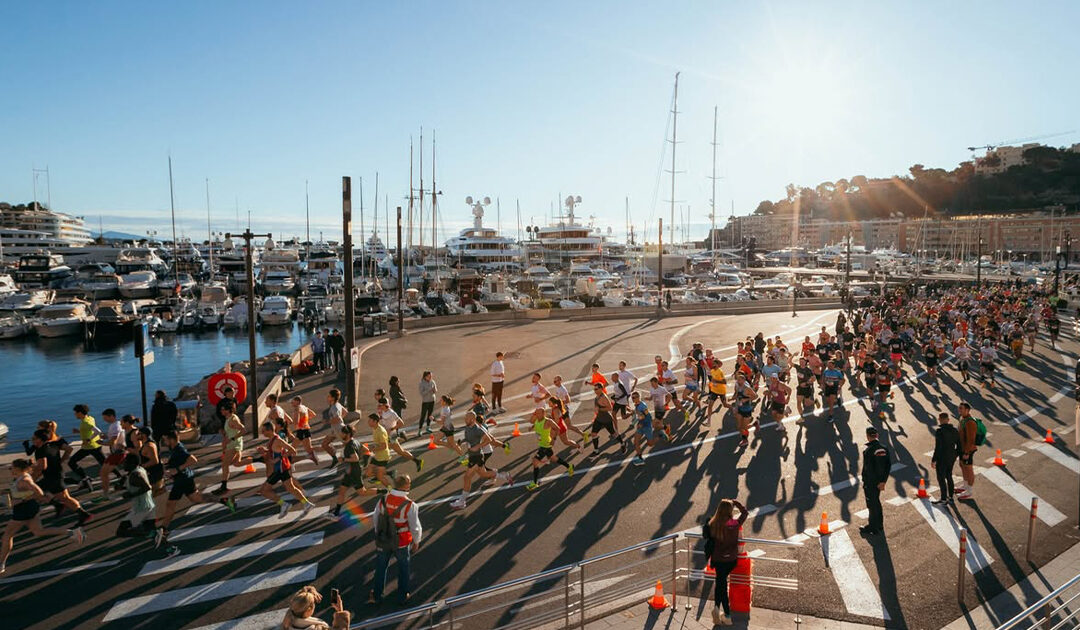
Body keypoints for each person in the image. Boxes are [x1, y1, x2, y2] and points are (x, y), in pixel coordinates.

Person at [155, 430, 235, 556]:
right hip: (185, 479)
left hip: (182, 480)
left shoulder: (179, 448)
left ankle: (164, 529)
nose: (164, 442)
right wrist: (170, 469)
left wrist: (177, 470)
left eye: (165, 439)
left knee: (170, 504)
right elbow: (180, 462)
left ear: (171, 439)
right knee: (197, 498)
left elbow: (193, 459)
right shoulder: (175, 448)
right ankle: (223, 500)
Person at [1, 458, 86, 575]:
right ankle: (73, 532)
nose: (10, 469)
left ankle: (1, 564)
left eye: (12, 467)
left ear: (19, 468)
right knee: (38, 531)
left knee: (7, 536)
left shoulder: (25, 480)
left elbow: (39, 493)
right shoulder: (21, 477)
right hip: (30, 508)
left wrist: (22, 499)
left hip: (24, 510)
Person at [370, 475, 422, 605]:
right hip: (402, 541)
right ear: (406, 486)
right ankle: (403, 595)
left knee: (381, 567)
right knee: (403, 568)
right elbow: (415, 527)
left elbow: (376, 518)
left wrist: (378, 533)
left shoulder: (383, 499)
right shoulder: (410, 505)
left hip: (384, 539)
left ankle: (377, 595)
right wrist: (416, 541)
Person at [449, 412, 512, 510]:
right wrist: (462, 441)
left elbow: (489, 440)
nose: (465, 419)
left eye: (467, 418)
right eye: (465, 417)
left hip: (477, 456)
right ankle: (504, 475)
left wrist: (477, 446)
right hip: (472, 455)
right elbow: (469, 438)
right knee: (483, 474)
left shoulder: (477, 429)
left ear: (472, 419)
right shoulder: (467, 427)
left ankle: (462, 501)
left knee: (467, 477)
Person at [31, 428, 93, 526]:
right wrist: (61, 461)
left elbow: (42, 467)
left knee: (34, 492)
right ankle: (69, 509)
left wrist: (32, 479)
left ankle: (81, 513)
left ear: (40, 439)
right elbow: (68, 449)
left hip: (52, 478)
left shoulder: (40, 450)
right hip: (57, 474)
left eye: (34, 438)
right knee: (63, 497)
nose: (32, 440)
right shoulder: (53, 444)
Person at [701, 498, 748, 626]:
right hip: (731, 560)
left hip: (718, 560)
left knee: (720, 584)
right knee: (721, 583)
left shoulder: (712, 524)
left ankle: (720, 610)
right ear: (730, 510)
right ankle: (725, 614)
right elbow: (745, 513)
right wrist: (737, 502)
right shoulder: (734, 524)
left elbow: (705, 536)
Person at [325, 424, 379, 520]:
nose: (341, 434)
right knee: (342, 491)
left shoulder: (350, 446)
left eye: (342, 433)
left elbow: (355, 458)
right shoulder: (355, 441)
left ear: (348, 434)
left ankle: (383, 491)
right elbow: (366, 450)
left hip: (354, 472)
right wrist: (364, 460)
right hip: (350, 472)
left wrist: (343, 459)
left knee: (362, 492)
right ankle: (336, 514)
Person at [525, 404, 573, 491]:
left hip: (546, 444)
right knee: (554, 458)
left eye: (538, 413)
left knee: (535, 461)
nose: (536, 414)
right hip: (542, 444)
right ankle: (569, 466)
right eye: (536, 413)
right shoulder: (536, 419)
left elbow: (558, 429)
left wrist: (553, 439)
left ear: (543, 413)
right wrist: (531, 427)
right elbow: (533, 422)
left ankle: (535, 483)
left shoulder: (548, 421)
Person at [115, 453, 157, 539]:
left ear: (132, 464)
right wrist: (123, 485)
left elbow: (147, 487)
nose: (123, 465)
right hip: (149, 505)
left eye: (125, 462)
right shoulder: (139, 469)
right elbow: (137, 485)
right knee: (153, 532)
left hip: (141, 508)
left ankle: (142, 532)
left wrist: (131, 495)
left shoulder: (135, 475)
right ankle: (169, 547)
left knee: (121, 531)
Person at [859, 427, 891, 537]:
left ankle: (873, 527)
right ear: (877, 435)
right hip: (880, 482)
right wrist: (883, 481)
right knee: (876, 503)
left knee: (872, 505)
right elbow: (888, 466)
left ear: (868, 436)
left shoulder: (869, 451)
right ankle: (880, 525)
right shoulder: (884, 449)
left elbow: (868, 469)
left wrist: (866, 481)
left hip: (870, 483)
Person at [212, 399, 247, 495]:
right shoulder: (228, 418)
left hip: (234, 445)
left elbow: (243, 430)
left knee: (224, 465)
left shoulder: (233, 419)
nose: (221, 411)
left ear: (228, 410)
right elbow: (231, 431)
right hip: (232, 444)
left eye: (223, 410)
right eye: (221, 409)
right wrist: (224, 434)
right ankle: (258, 459)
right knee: (236, 463)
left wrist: (231, 439)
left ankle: (223, 487)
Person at [68, 403, 104, 492]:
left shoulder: (86, 422)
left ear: (80, 413)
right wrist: (79, 431)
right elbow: (89, 430)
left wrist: (88, 439)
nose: (75, 414)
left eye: (75, 413)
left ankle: (85, 478)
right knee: (104, 463)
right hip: (94, 446)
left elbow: (98, 431)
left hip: (90, 447)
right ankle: (120, 476)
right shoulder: (90, 418)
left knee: (71, 462)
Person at [282, 585, 351, 630]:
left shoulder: (287, 623)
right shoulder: (318, 628)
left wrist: (307, 590)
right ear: (309, 610)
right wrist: (339, 610)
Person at [931, 412, 960, 505]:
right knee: (949, 476)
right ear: (948, 420)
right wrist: (956, 454)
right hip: (951, 456)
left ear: (939, 419)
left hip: (942, 458)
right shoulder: (954, 430)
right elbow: (959, 444)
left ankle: (943, 498)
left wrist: (933, 459)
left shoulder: (939, 432)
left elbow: (938, 447)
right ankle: (951, 497)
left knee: (941, 478)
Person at [956, 403, 979, 501]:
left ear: (967, 410)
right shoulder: (962, 419)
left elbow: (971, 439)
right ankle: (965, 485)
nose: (959, 410)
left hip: (967, 449)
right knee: (962, 465)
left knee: (968, 468)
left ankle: (969, 490)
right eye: (959, 408)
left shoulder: (970, 422)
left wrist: (967, 452)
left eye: (961, 409)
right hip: (962, 448)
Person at [321, 388, 347, 467]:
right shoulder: (337, 405)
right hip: (334, 430)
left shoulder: (334, 408)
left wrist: (327, 422)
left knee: (348, 445)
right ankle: (335, 458)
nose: (327, 397)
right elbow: (345, 412)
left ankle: (364, 455)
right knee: (324, 444)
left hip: (339, 429)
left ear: (332, 398)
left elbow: (338, 418)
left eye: (329, 396)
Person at [290, 395, 320, 464]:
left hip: (301, 430)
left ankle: (290, 463)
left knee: (292, 448)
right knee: (308, 448)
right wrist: (305, 421)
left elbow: (296, 422)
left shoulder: (297, 408)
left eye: (293, 402)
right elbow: (313, 414)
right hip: (306, 429)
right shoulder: (305, 407)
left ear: (297, 402)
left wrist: (294, 424)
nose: (292, 404)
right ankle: (318, 454)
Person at [417, 371, 437, 436]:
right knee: (423, 416)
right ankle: (420, 430)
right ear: (425, 377)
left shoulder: (432, 382)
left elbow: (435, 390)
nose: (430, 377)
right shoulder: (421, 383)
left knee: (430, 415)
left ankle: (428, 427)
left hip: (432, 400)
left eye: (431, 376)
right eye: (429, 376)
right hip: (425, 401)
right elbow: (422, 393)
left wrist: (434, 390)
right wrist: (429, 389)